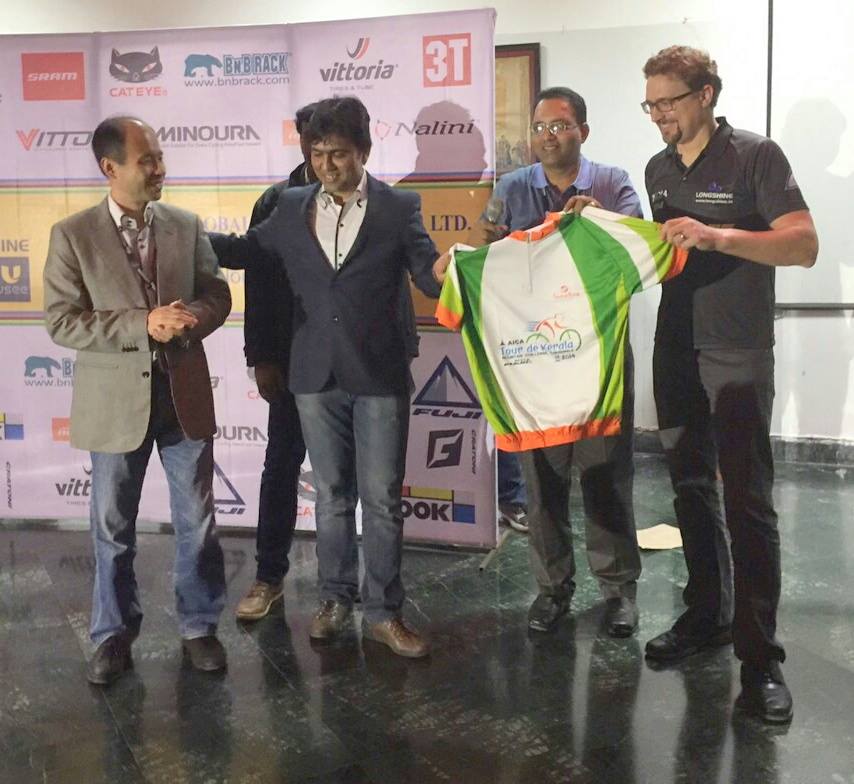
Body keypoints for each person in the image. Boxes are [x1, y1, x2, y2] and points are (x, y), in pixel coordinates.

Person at [209, 97, 449, 658]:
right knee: (332, 497)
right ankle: (334, 600)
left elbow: (428, 275)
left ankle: (384, 613)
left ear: (364, 150)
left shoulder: (398, 207)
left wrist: (449, 268)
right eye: (317, 154)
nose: (326, 165)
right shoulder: (291, 205)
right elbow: (247, 252)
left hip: (379, 374)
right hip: (313, 375)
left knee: (382, 501)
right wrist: (180, 232)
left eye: (338, 153)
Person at [640, 46, 818, 724]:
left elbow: (802, 245)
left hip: (737, 347)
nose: (659, 114)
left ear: (706, 94)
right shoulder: (657, 168)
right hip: (675, 346)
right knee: (688, 486)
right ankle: (707, 614)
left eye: (669, 101)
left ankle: (761, 658)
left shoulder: (755, 156)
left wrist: (718, 237)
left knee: (746, 499)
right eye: (650, 104)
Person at [43, 116, 232, 685]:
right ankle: (112, 634)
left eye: (159, 157)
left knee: (197, 521)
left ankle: (199, 627)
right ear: (110, 167)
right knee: (112, 527)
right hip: (113, 406)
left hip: (183, 398)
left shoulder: (185, 225)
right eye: (147, 160)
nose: (159, 168)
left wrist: (191, 317)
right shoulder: (72, 235)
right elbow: (62, 321)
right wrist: (142, 323)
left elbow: (216, 293)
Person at [466, 86, 643, 637]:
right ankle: (552, 589)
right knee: (541, 482)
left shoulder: (612, 183)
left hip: (597, 358)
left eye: (561, 126)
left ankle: (619, 591)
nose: (548, 136)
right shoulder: (510, 189)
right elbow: (486, 252)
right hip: (534, 361)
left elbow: (636, 251)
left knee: (605, 475)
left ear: (583, 132)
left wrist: (601, 221)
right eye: (540, 127)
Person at [229, 103, 317, 622]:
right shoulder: (274, 201)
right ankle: (268, 576)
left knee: (347, 478)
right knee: (281, 465)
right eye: (310, 136)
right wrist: (261, 357)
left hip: (349, 366)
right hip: (288, 359)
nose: (320, 148)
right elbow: (257, 284)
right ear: (300, 138)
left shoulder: (371, 199)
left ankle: (342, 588)